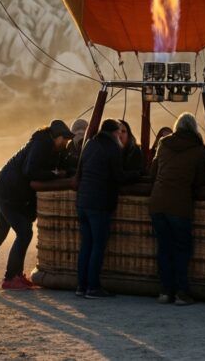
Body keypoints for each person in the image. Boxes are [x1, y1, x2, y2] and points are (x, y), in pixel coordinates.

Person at [0, 119, 73, 290]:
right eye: (65, 140)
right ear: (57, 137)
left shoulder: (44, 144)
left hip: (1, 188)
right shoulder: (42, 144)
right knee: (24, 232)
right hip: (6, 191)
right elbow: (30, 171)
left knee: (0, 234)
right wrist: (56, 174)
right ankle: (10, 277)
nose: (65, 143)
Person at [148, 113, 205, 306]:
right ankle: (182, 293)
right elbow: (200, 181)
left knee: (164, 248)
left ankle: (165, 292)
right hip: (180, 204)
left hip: (157, 201)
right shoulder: (200, 150)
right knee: (182, 249)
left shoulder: (164, 143)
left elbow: (153, 171)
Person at [75, 119, 137, 298]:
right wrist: (136, 175)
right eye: (119, 132)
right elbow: (119, 177)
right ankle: (93, 287)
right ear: (115, 132)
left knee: (86, 245)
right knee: (98, 246)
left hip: (83, 201)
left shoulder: (90, 144)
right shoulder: (112, 148)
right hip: (100, 203)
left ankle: (81, 285)